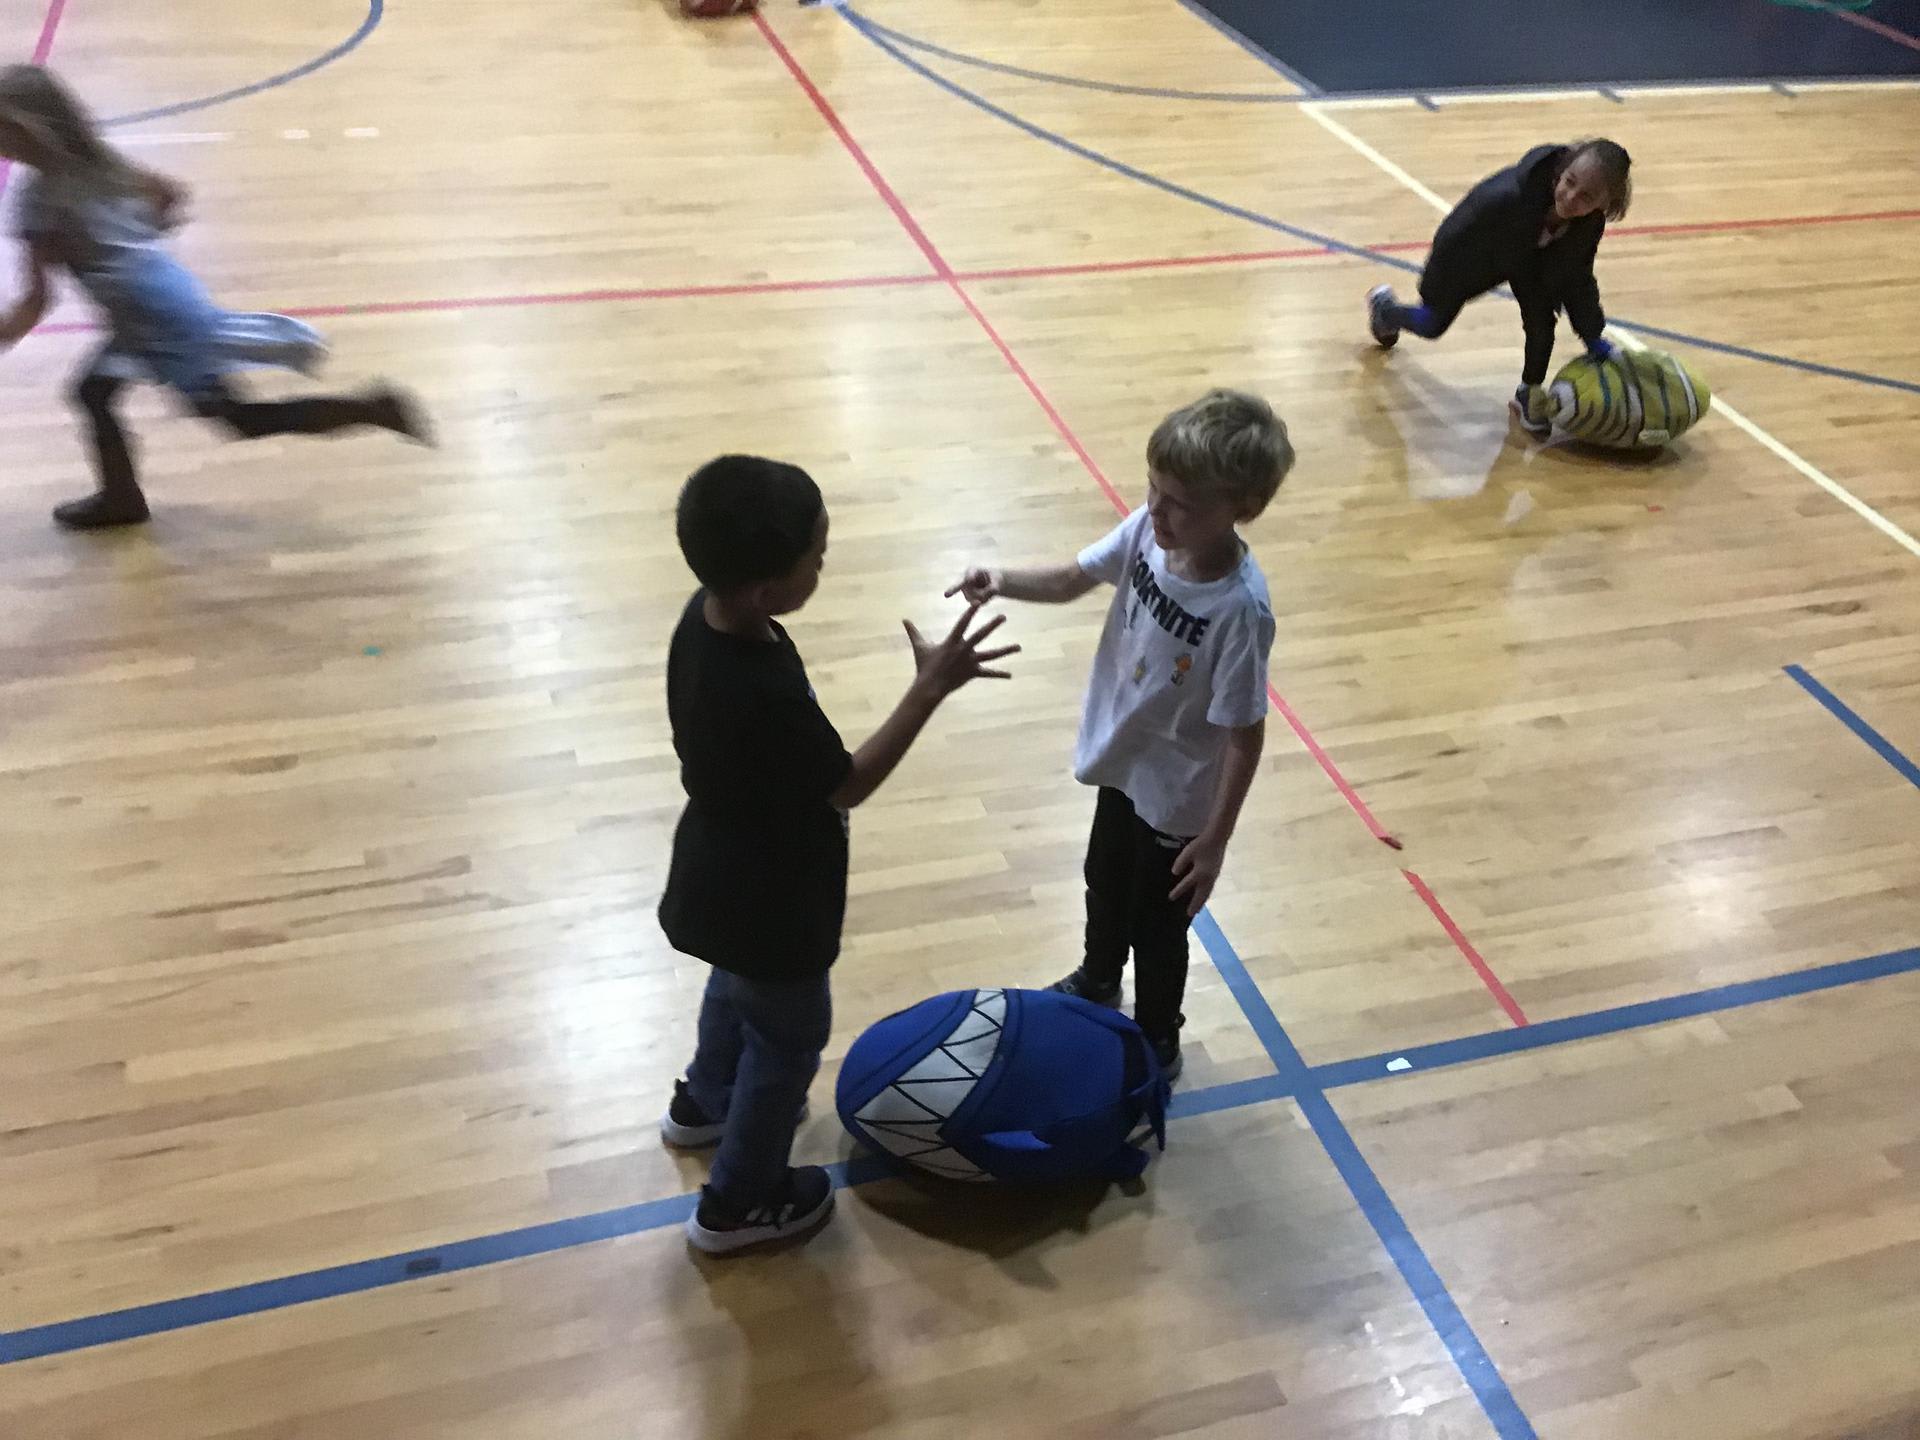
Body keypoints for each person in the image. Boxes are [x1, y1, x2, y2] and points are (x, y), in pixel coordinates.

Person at [658, 454, 1017, 1255]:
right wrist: (928, 688)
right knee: (785, 1047)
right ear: (766, 590)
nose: (824, 565)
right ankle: (738, 1204)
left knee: (734, 990)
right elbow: (847, 785)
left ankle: (705, 1100)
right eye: (816, 558)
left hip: (716, 875)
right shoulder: (763, 693)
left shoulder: (701, 617)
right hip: (774, 901)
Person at [947, 389, 1294, 1081]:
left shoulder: (1239, 610)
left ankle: (1158, 1038)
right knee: (1103, 882)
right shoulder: (1147, 531)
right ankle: (1099, 978)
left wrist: (1214, 841)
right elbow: (1073, 578)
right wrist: (1002, 579)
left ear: (1243, 508)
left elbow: (1244, 737)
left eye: (1180, 504)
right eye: (1153, 490)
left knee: (1158, 930)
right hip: (1124, 761)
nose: (1157, 510)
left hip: (1179, 801)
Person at [0, 65, 427, 530]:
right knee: (93, 392)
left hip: (155, 320)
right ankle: (121, 498)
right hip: (163, 296)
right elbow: (170, 194)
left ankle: (372, 408)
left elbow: (37, 301)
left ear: (25, 129)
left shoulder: (38, 201)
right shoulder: (102, 164)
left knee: (239, 419)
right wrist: (134, 244)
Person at [1365, 139, 1633, 437]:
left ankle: (1528, 391)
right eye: (1570, 182)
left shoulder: (1588, 226)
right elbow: (1453, 235)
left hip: (1532, 264)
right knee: (1432, 324)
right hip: (1480, 258)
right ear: (1562, 169)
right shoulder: (1506, 197)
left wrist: (1593, 336)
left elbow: (1578, 278)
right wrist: (1434, 286)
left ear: (1604, 205)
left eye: (1586, 196)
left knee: (1542, 326)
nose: (1571, 197)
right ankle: (1386, 310)